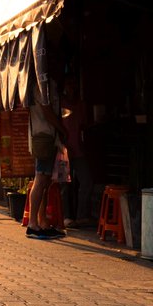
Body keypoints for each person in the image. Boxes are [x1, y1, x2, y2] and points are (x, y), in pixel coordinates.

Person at [26, 79, 67, 239]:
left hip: (48, 135)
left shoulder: (48, 84)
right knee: (41, 177)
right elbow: (47, 112)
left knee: (45, 180)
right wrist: (62, 128)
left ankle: (42, 222)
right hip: (43, 135)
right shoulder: (42, 85)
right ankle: (32, 224)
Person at [62, 80, 93, 227]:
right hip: (64, 150)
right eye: (69, 85)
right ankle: (67, 216)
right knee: (66, 184)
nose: (72, 88)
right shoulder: (61, 104)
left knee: (86, 181)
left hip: (79, 149)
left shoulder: (81, 105)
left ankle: (82, 215)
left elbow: (83, 125)